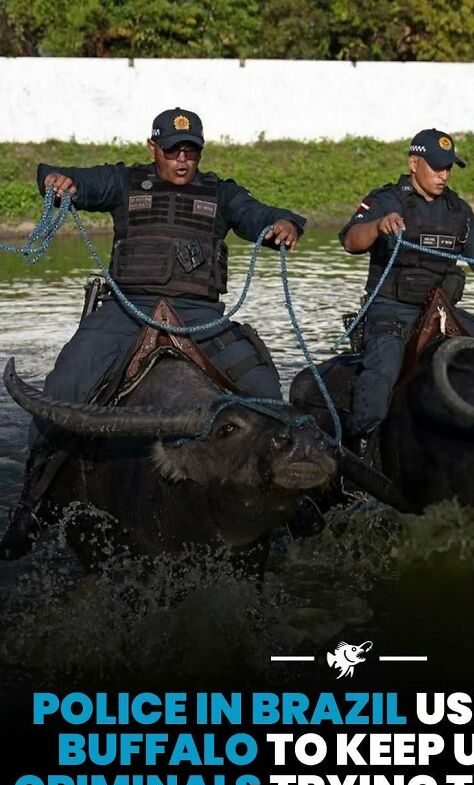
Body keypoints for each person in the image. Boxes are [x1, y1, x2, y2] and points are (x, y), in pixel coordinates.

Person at [1, 107, 310, 559]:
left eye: (190, 150)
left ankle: (288, 501)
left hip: (199, 315)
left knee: (264, 389)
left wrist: (284, 224)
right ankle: (31, 505)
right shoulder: (124, 182)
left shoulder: (221, 194)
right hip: (128, 310)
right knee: (64, 386)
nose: (182, 159)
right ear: (154, 149)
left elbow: (259, 215)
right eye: (172, 150)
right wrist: (57, 182)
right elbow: (67, 178)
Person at [339, 128, 474, 450]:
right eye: (437, 167)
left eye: (448, 168)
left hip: (442, 310)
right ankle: (363, 447)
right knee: (381, 375)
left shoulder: (458, 210)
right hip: (391, 310)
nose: (444, 175)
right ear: (414, 163)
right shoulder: (386, 199)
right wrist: (377, 226)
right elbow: (350, 241)